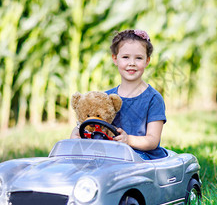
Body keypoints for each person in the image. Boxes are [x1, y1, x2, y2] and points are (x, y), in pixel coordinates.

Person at [71, 29, 168, 160]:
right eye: (125, 57)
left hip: (142, 158)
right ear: (115, 59)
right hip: (110, 156)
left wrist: (129, 140)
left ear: (147, 61)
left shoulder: (153, 99)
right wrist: (77, 133)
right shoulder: (105, 98)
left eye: (138, 58)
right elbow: (90, 124)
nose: (132, 63)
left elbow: (152, 140)